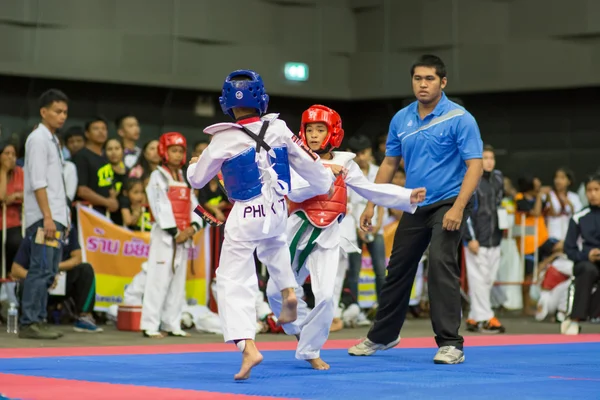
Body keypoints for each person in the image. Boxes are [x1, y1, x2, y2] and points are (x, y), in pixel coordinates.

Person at [186, 69, 335, 380]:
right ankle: (289, 291)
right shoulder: (279, 128)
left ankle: (247, 345)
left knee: (231, 279)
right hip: (277, 208)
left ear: (226, 103)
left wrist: (192, 167)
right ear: (262, 98)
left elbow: (198, 179)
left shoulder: (223, 138)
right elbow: (310, 162)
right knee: (275, 245)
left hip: (245, 213)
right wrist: (327, 184)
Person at [348, 55, 483, 364]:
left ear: (443, 82)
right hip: (414, 202)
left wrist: (459, 207)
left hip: (449, 201)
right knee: (397, 269)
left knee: (439, 262)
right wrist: (372, 202)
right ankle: (383, 336)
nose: (423, 84)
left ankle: (451, 343)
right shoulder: (401, 119)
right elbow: (389, 163)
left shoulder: (460, 118)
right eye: (418, 79)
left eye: (430, 79)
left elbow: (474, 166)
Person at [268, 105, 424, 370]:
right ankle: (301, 330)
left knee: (327, 296)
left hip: (328, 236)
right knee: (274, 291)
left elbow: (369, 190)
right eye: (309, 129)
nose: (314, 135)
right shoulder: (294, 159)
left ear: (333, 132)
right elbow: (293, 194)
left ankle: (310, 349)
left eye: (320, 129)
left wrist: (405, 196)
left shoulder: (345, 164)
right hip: (295, 231)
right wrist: (323, 176)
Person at [141, 132, 202, 338]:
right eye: (173, 150)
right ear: (163, 152)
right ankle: (150, 324)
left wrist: (193, 226)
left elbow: (194, 204)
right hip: (166, 236)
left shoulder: (185, 177)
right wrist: (175, 231)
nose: (177, 155)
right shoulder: (157, 176)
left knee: (177, 282)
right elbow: (160, 206)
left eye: (180, 151)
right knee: (157, 280)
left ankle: (172, 323)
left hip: (184, 235)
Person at [21, 89, 71, 339]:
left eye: (65, 112)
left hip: (55, 215)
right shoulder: (38, 139)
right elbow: (38, 182)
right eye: (57, 111)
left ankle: (38, 319)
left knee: (50, 270)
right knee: (40, 269)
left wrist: (64, 218)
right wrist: (48, 217)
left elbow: (57, 184)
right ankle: (30, 322)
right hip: (44, 216)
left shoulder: (52, 140)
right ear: (44, 112)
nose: (62, 116)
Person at [11, 224, 103, 333]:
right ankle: (33, 319)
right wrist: (40, 277)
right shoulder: (37, 233)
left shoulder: (70, 230)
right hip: (37, 283)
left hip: (59, 279)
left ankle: (84, 317)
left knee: (85, 269)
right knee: (26, 283)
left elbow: (77, 258)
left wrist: (53, 270)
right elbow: (15, 269)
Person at [463, 145, 506, 333]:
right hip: (476, 240)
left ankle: (473, 316)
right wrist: (470, 238)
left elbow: (498, 205)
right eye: (485, 157)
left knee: (487, 280)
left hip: (494, 238)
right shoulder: (471, 178)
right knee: (478, 280)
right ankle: (486, 318)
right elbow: (465, 210)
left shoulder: (498, 178)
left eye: (491, 157)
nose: (489, 161)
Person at [561, 174, 600, 335]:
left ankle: (594, 313)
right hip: (585, 262)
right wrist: (587, 255)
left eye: (596, 190)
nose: (592, 194)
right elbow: (569, 248)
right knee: (588, 270)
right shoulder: (579, 217)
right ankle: (576, 319)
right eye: (589, 190)